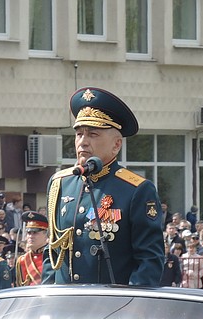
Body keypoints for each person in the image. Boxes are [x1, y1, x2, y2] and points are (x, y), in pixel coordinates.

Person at [43, 87, 165, 285]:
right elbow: (52, 255)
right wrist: (46, 300)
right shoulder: (60, 183)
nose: (83, 142)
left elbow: (149, 262)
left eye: (93, 134)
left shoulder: (136, 190)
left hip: (112, 307)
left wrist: (130, 307)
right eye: (79, 134)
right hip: (65, 307)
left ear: (116, 145)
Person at [14, 212, 48, 286]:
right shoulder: (22, 260)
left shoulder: (53, 257)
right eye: (29, 233)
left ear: (46, 235)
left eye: (35, 233)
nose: (31, 236)